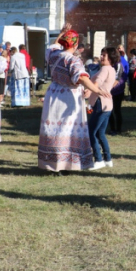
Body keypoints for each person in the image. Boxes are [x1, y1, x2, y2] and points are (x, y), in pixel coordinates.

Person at [38, 27, 105, 172]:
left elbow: (54, 46)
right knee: (67, 129)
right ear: (75, 45)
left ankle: (51, 162)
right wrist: (97, 90)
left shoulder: (54, 54)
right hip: (68, 96)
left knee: (53, 128)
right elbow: (81, 77)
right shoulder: (73, 60)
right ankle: (66, 164)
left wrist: (62, 33)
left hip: (53, 93)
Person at [86, 47, 118, 169]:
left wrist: (90, 90)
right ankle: (108, 159)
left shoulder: (105, 69)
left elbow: (97, 82)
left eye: (104, 55)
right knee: (100, 133)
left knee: (91, 132)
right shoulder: (111, 69)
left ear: (110, 58)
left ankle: (98, 160)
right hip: (107, 105)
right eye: (101, 54)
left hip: (100, 104)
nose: (101, 57)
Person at [108, 52, 127, 135]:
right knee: (109, 110)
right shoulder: (111, 65)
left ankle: (118, 129)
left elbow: (117, 78)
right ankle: (112, 128)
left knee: (117, 110)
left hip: (117, 90)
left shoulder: (118, 65)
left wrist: (108, 88)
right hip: (110, 91)